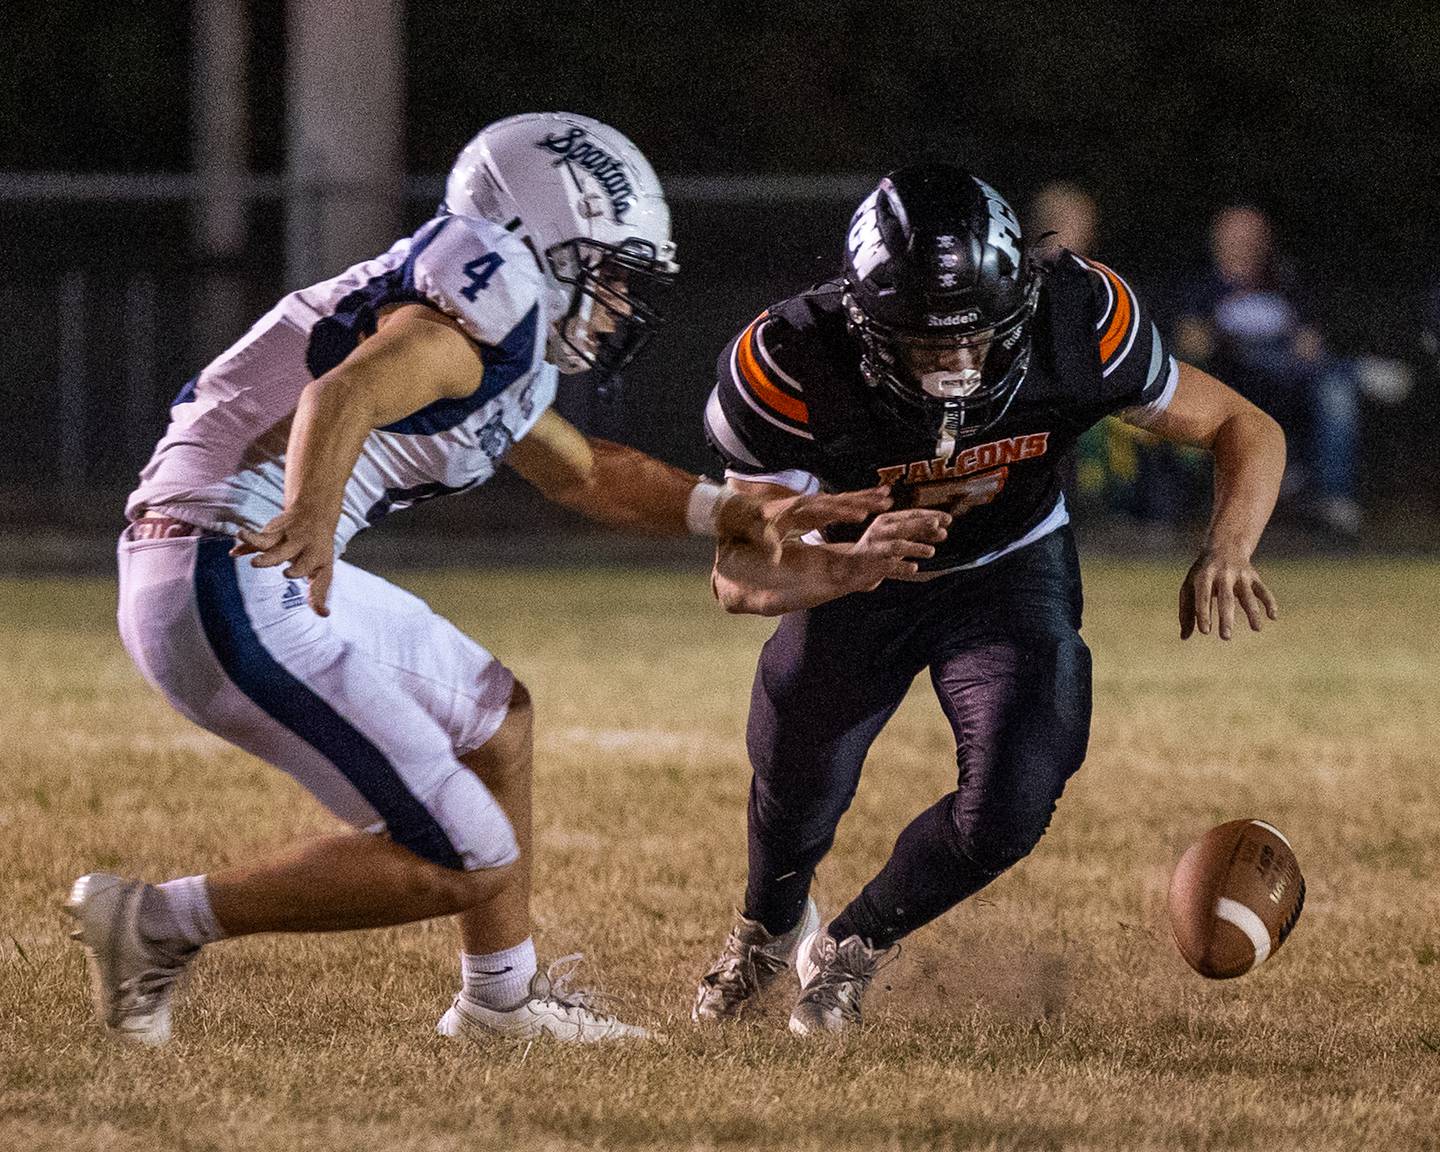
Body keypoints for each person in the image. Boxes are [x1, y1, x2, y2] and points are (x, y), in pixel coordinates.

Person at [66, 112, 879, 1048]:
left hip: (234, 559)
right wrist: (316, 514)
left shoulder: (495, 336)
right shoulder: (471, 309)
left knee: (498, 718)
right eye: (609, 273)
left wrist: (737, 513)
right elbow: (344, 393)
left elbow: (584, 471)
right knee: (466, 855)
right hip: (230, 566)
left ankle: (502, 1001)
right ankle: (154, 924)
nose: (619, 302)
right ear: (538, 239)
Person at [691, 163, 1285, 1035]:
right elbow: (739, 576)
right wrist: (851, 566)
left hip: (1008, 568)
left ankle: (851, 947)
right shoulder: (790, 360)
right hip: (850, 579)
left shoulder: (1079, 314)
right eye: (928, 344)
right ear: (862, 323)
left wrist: (1226, 546)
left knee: (1015, 797)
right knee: (796, 786)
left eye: (978, 336)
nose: (959, 367)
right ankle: (771, 928)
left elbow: (1246, 423)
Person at [1173, 204, 1362, 535]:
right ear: (1217, 239)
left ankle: (1335, 500)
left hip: (1288, 380)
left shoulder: (1285, 284)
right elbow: (1190, 342)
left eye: (1251, 235)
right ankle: (1361, 370)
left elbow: (1310, 341)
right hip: (1231, 378)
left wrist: (1302, 344)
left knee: (1336, 388)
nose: (1242, 243)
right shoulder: (1200, 287)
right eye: (1234, 235)